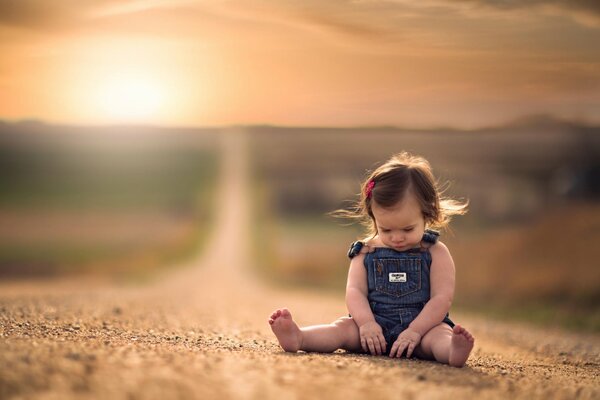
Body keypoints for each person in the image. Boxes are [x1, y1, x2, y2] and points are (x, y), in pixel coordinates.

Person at [267, 152, 475, 367]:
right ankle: (300, 337)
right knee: (342, 329)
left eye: (407, 228)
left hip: (423, 328)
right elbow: (355, 291)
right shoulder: (365, 251)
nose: (397, 237)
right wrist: (366, 323)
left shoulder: (436, 252)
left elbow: (441, 299)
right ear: (374, 217)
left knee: (439, 336)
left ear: (427, 214)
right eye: (386, 229)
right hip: (372, 329)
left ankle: (452, 351)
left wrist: (415, 331)